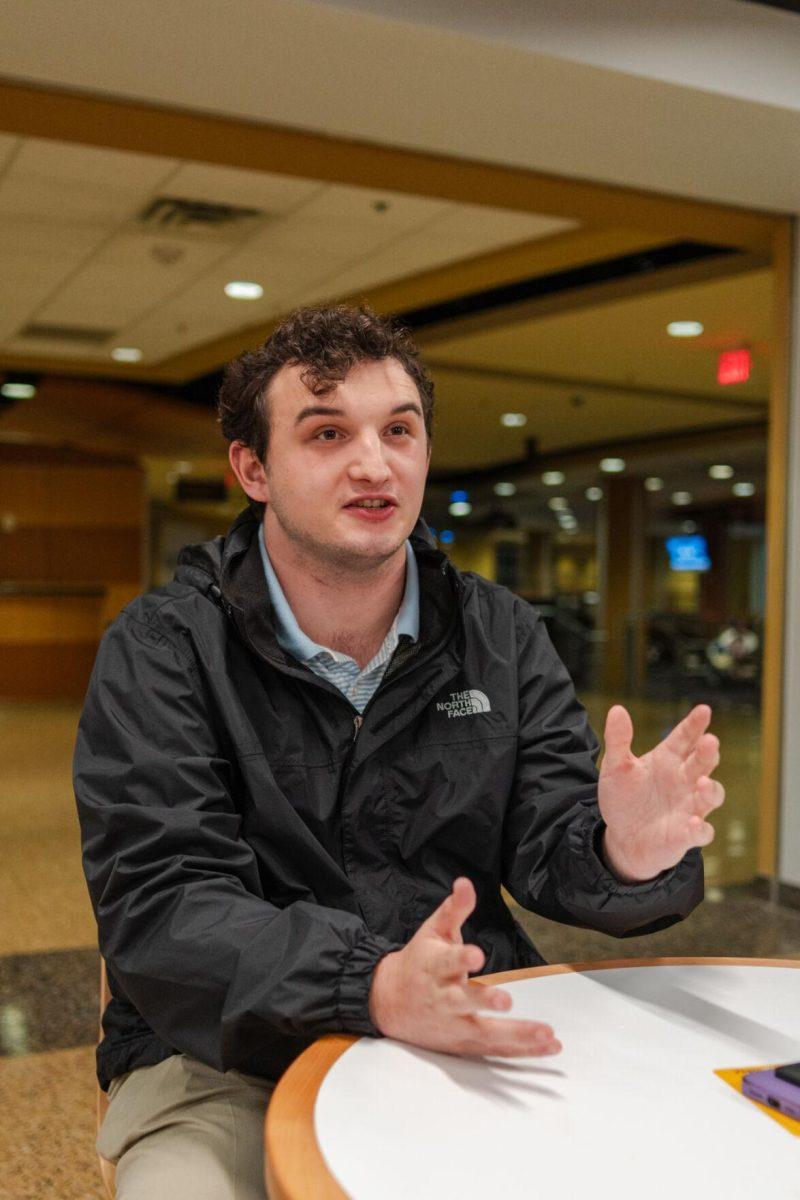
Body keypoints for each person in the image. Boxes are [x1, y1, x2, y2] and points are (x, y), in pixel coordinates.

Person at [75, 304, 724, 1199]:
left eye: (400, 430)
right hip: (223, 1055)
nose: (374, 463)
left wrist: (623, 850)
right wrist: (371, 985)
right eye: (328, 432)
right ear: (253, 467)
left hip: (460, 1018)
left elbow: (551, 844)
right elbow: (165, 904)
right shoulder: (164, 650)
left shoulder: (496, 630)